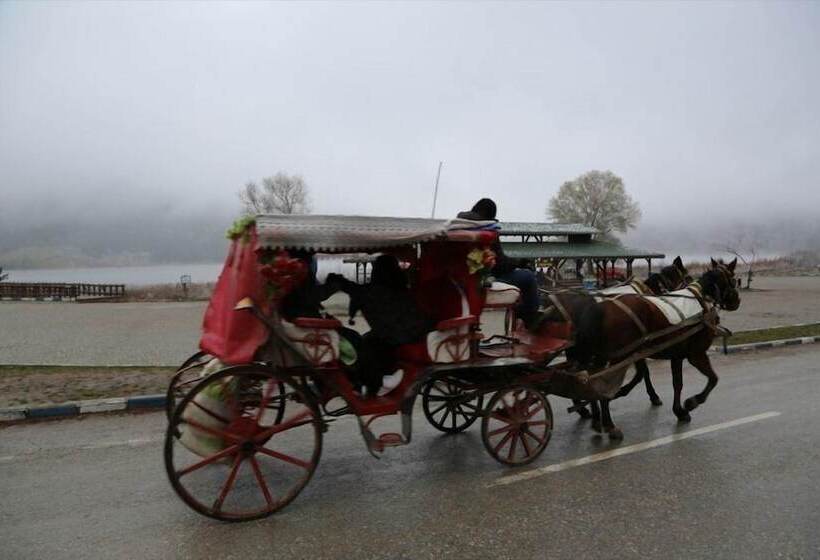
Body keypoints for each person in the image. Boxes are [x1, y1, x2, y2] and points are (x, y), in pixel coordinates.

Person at [326, 255, 434, 396]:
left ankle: (378, 382)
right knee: (367, 340)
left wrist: (338, 280)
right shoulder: (396, 285)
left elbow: (357, 290)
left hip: (404, 332)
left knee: (368, 344)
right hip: (410, 328)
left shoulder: (377, 290)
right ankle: (372, 380)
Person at [457, 198, 540, 326]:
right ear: (491, 215)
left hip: (462, 280)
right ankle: (530, 318)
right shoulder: (487, 229)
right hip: (482, 280)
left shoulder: (458, 226)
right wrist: (520, 263)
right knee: (528, 277)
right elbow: (501, 265)